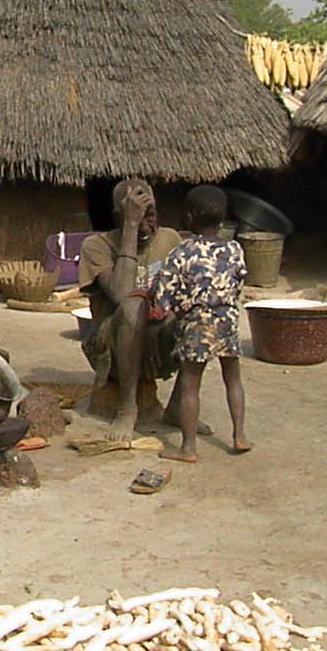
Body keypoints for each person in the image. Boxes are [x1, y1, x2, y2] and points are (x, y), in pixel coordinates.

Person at [77, 177, 185, 442]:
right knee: (132, 304)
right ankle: (127, 408)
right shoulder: (96, 246)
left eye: (151, 212)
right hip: (110, 347)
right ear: (119, 215)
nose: (147, 219)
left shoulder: (170, 239)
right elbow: (121, 294)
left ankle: (177, 406)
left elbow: (181, 294)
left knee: (205, 314)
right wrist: (131, 227)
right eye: (138, 213)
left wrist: (162, 322)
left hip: (156, 340)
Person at [151, 184, 251, 462]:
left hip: (197, 323)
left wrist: (163, 308)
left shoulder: (183, 251)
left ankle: (188, 447)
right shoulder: (234, 248)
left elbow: (163, 291)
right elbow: (239, 280)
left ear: (190, 216)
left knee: (190, 385)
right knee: (233, 378)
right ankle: (239, 435)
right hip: (227, 319)